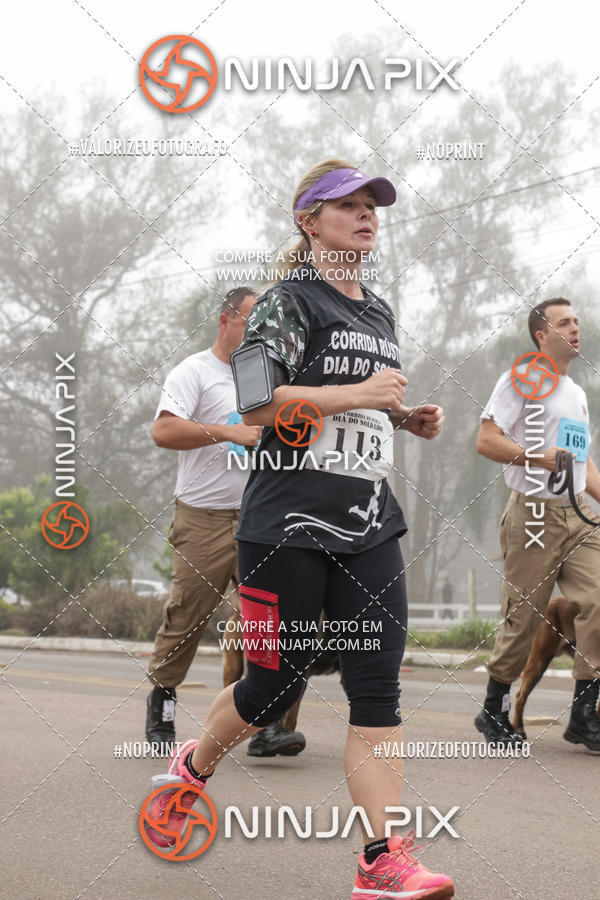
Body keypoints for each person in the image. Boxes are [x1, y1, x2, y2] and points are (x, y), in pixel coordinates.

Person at [145, 159, 455, 899]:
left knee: (376, 687)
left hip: (369, 522)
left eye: (372, 205)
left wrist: (400, 417)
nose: (366, 214)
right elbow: (255, 405)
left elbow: (350, 407)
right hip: (284, 524)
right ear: (308, 221)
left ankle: (382, 860)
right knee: (269, 681)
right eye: (346, 206)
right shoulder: (285, 302)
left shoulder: (377, 312)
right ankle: (194, 766)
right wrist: (360, 392)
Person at [146, 286, 306, 759]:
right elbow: (164, 430)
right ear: (225, 320)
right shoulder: (194, 372)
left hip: (262, 517)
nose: (260, 333)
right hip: (204, 519)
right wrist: (229, 431)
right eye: (251, 322)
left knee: (268, 622)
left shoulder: (272, 378)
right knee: (186, 617)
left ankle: (268, 727)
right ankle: (163, 709)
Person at [474, 298, 600, 750]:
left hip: (578, 518)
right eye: (564, 322)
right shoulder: (519, 378)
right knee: (522, 619)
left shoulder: (577, 394)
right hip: (532, 514)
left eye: (577, 321)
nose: (575, 327)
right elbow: (486, 440)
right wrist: (534, 457)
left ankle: (585, 714)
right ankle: (494, 708)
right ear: (541, 335)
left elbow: (582, 466)